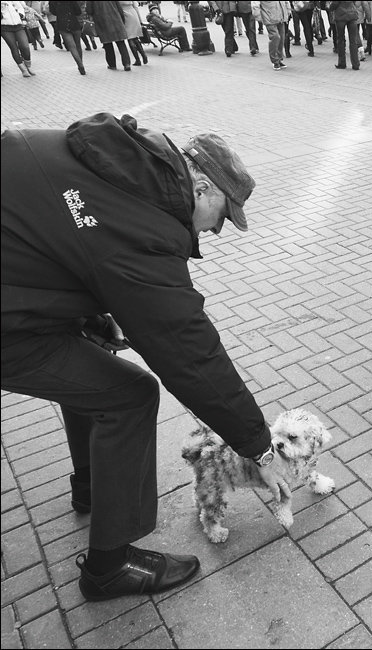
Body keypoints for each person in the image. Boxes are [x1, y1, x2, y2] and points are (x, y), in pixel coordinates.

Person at [1, 112, 290, 602]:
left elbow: (56, 241)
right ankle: (109, 567)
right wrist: (258, 446)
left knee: (89, 354)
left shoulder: (121, 171)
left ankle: (93, 487)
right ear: (200, 186)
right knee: (130, 395)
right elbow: (189, 351)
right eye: (224, 215)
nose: (218, 230)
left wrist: (88, 314)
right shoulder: (144, 228)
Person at [85, 0, 132, 71]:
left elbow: (89, 10)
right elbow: (119, 8)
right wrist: (122, 20)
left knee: (107, 44)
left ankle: (112, 64)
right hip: (116, 20)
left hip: (102, 22)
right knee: (121, 43)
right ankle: (126, 64)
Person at [49, 0, 85, 74]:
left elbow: (53, 12)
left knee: (72, 47)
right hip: (74, 22)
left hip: (62, 24)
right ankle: (81, 63)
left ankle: (80, 65)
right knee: (78, 45)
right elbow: (78, 11)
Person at [2, 0, 35, 76]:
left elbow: (21, 6)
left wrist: (20, 14)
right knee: (14, 48)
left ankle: (28, 66)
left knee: (25, 46)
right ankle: (23, 70)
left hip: (18, 25)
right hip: (4, 26)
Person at [259, 1, 291, 69]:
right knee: (275, 37)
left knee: (281, 38)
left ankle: (279, 59)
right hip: (269, 17)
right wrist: (259, 16)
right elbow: (255, 4)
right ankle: (275, 60)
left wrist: (288, 10)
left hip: (281, 17)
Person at [329, 0, 359, 69]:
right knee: (353, 41)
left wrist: (330, 7)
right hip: (352, 15)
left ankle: (342, 63)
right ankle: (356, 64)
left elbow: (334, 4)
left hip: (340, 16)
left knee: (341, 40)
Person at [120, 0, 147, 65]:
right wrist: (140, 20)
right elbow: (136, 7)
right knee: (135, 37)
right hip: (134, 14)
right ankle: (143, 55)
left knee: (130, 38)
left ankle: (137, 60)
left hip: (125, 16)